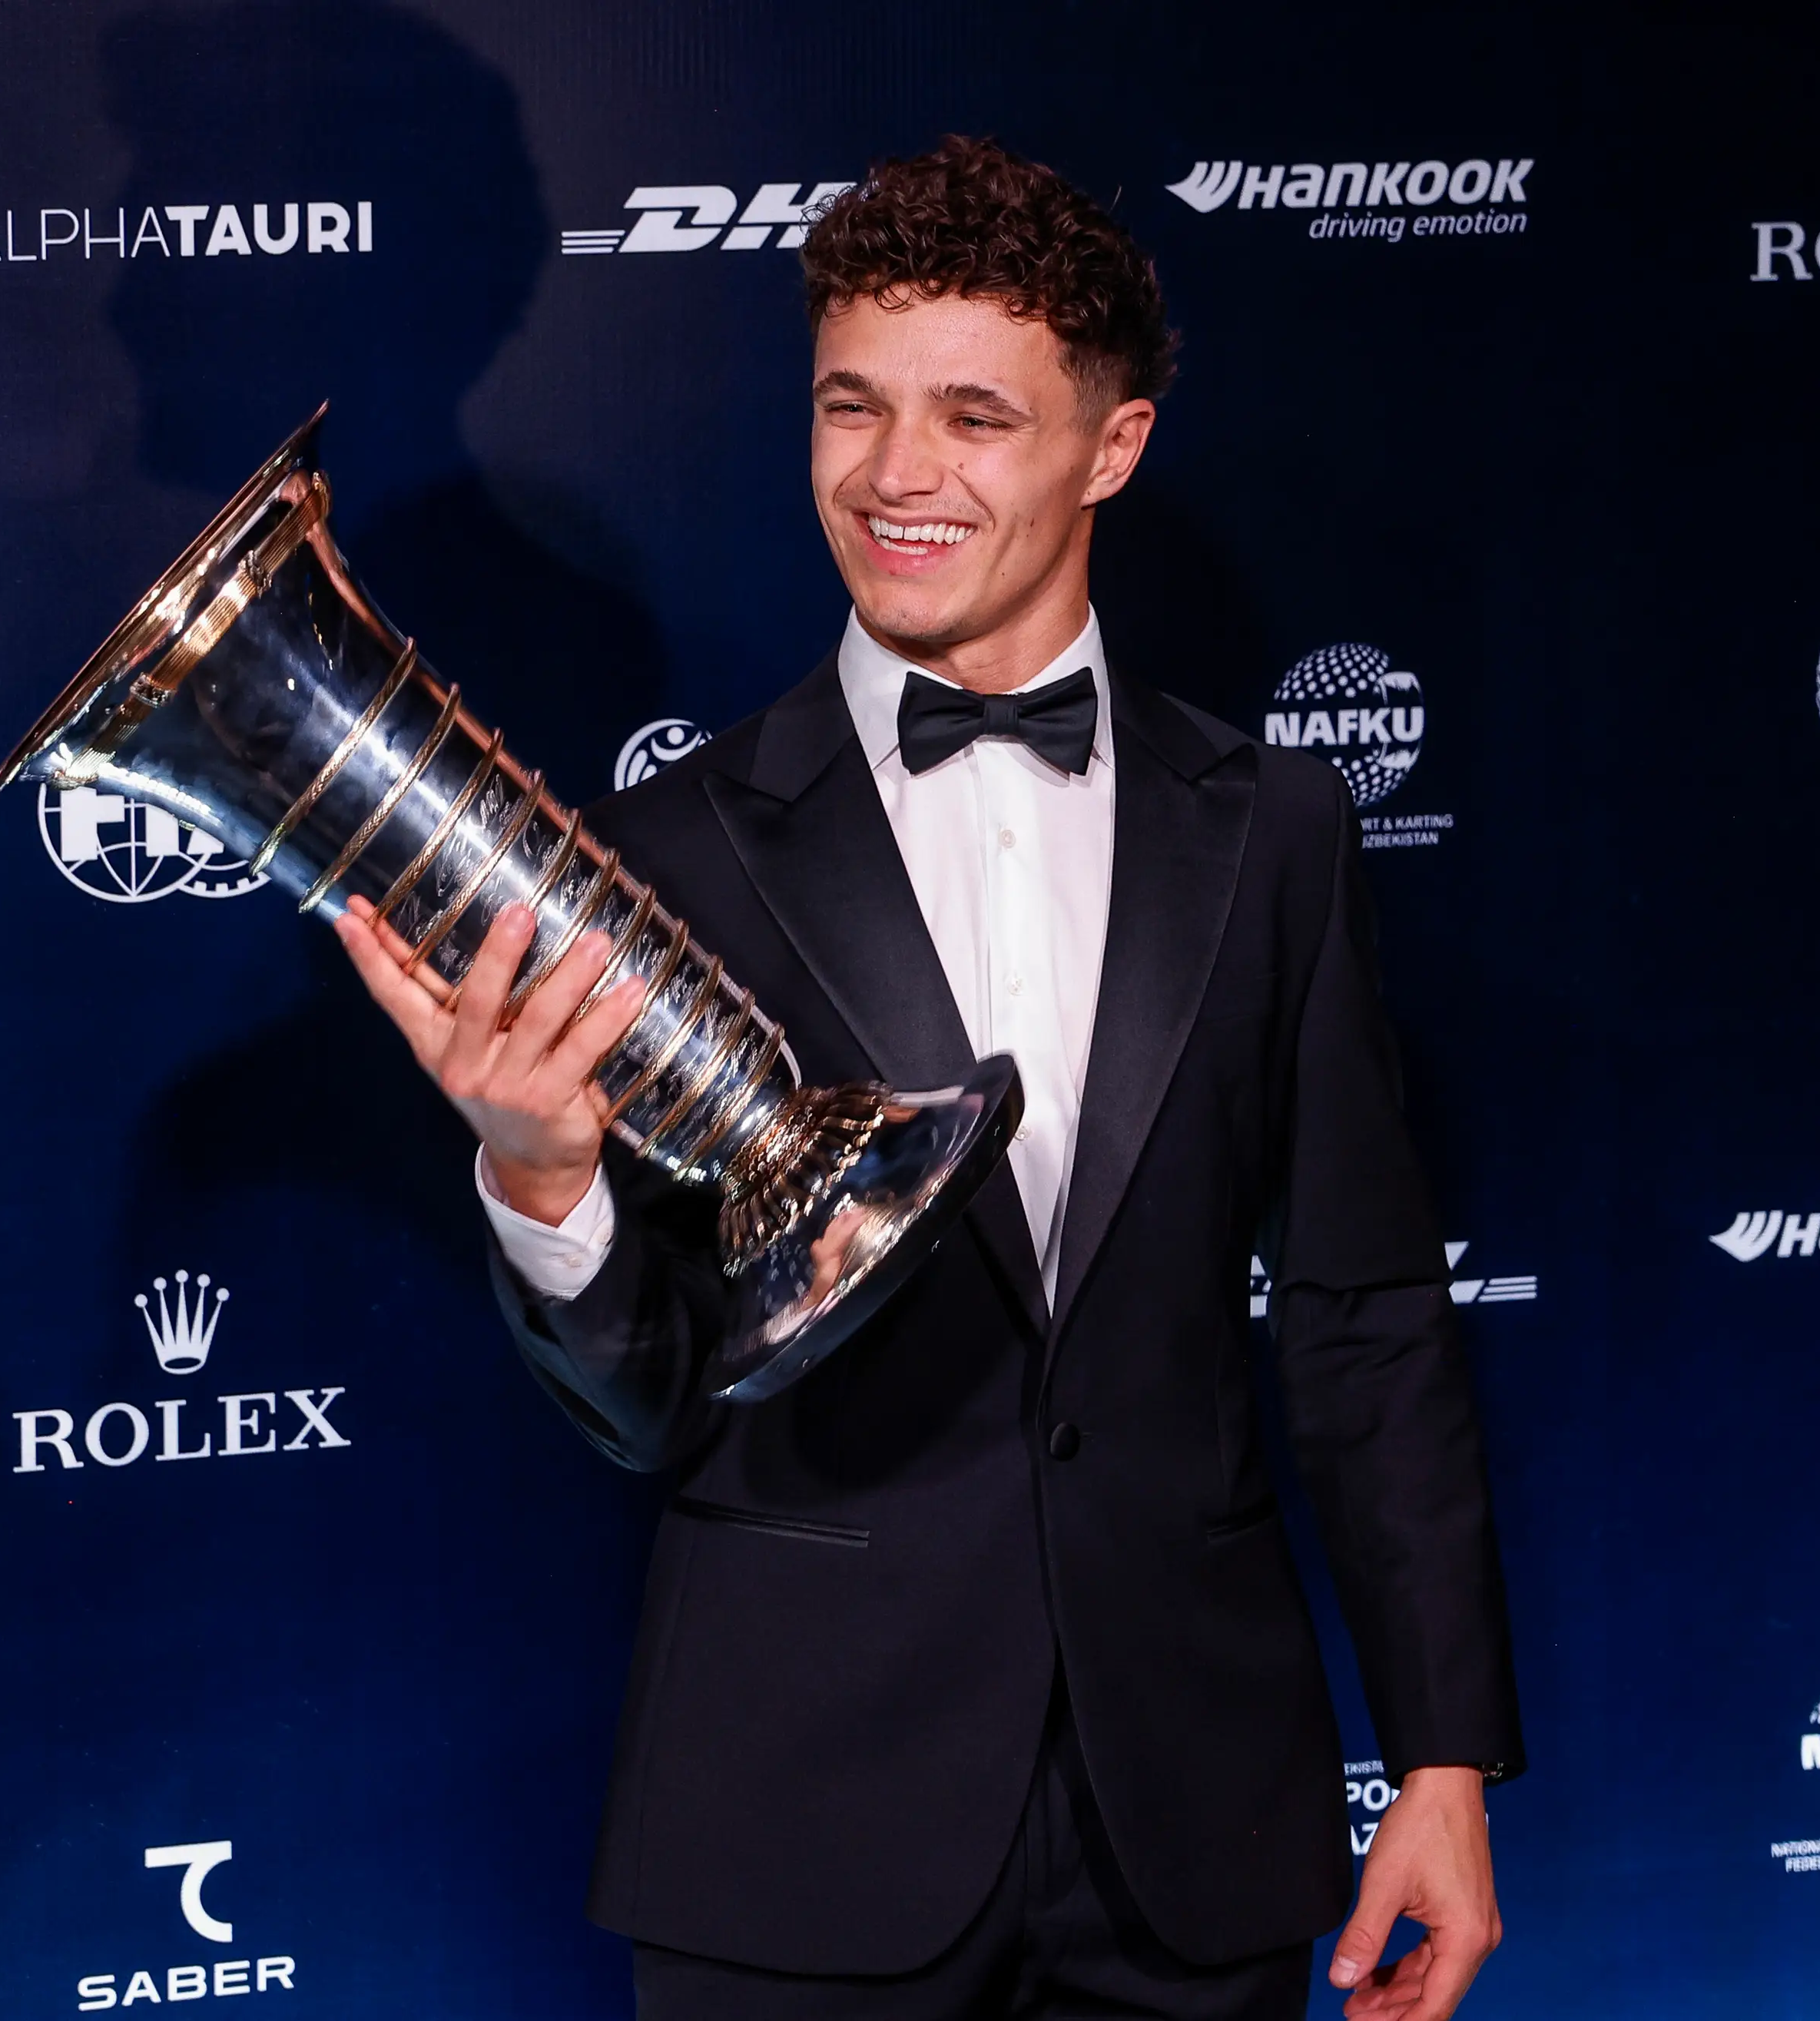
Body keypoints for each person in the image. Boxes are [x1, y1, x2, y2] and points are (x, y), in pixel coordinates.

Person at [335, 134, 1523, 2021]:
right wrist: (542, 1177)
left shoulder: (1277, 828)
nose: (896, 474)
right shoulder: (667, 850)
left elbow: (1367, 1325)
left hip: (1193, 1826)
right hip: (795, 1822)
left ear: (1110, 448)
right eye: (851, 406)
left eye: (976, 414)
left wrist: (1443, 1763)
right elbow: (644, 1407)